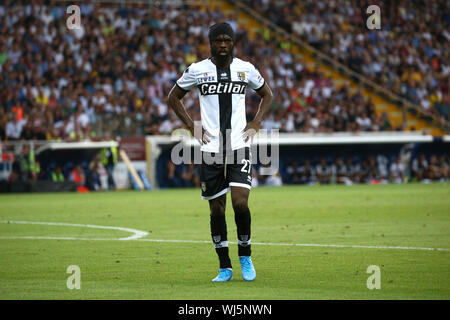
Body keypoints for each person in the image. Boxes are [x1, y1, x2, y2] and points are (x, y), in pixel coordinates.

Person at [167, 22, 273, 282]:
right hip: (211, 148)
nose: (223, 45)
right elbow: (173, 97)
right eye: (218, 41)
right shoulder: (197, 70)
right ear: (210, 43)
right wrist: (192, 126)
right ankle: (224, 266)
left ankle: (245, 256)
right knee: (216, 209)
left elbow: (267, 95)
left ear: (233, 42)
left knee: (240, 202)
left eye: (227, 40)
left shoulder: (245, 69)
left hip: (239, 145)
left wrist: (256, 123)